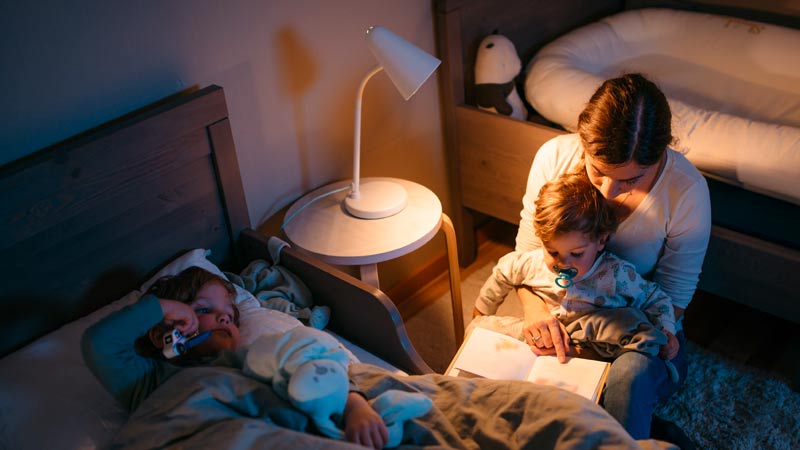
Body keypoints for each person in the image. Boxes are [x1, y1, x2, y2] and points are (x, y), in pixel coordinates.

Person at [511, 73, 711, 443]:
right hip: (562, 312)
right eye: (598, 172)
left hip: (639, 327)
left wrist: (601, 337)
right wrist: (536, 312)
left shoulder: (686, 191)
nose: (608, 191)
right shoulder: (554, 157)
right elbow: (525, 256)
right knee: (503, 365)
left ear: (660, 156)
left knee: (627, 381)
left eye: (630, 180)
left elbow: (675, 296)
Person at [81, 266, 390, 449]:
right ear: (165, 329)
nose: (224, 319)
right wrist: (165, 308)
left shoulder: (254, 360)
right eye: (203, 310)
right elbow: (99, 344)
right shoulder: (146, 380)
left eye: (229, 315)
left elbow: (314, 370)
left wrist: (354, 403)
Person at [472, 171, 680, 369]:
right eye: (553, 253)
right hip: (544, 335)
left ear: (601, 240)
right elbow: (503, 271)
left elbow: (655, 298)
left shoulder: (616, 274)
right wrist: (481, 310)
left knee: (637, 345)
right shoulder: (531, 263)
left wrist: (667, 330)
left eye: (577, 254)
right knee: (479, 330)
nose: (564, 264)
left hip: (597, 345)